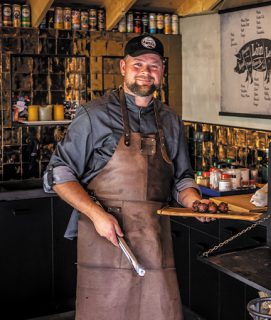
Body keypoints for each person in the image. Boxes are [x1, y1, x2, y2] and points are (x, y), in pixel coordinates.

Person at [43, 34, 209, 320]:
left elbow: (182, 178)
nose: (146, 71)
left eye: (154, 65)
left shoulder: (170, 119)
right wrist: (96, 214)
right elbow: (58, 173)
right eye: (138, 64)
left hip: (155, 239)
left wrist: (194, 203)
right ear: (123, 67)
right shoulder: (93, 115)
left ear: (162, 72)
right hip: (105, 238)